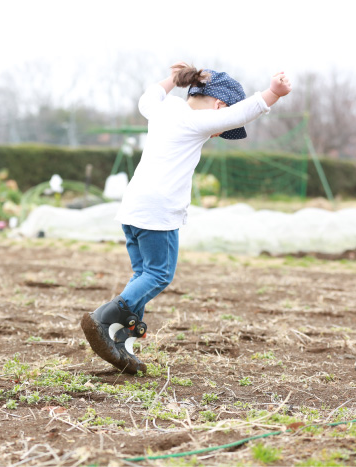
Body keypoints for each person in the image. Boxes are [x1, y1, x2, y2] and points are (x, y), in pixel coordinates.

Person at [81, 62, 292, 374]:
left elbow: (146, 98)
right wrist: (273, 93)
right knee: (159, 274)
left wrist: (171, 79)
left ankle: (121, 342)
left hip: (133, 208)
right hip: (158, 211)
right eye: (222, 126)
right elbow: (240, 114)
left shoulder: (163, 110)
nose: (220, 131)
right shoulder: (197, 120)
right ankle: (104, 318)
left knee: (142, 276)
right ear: (218, 105)